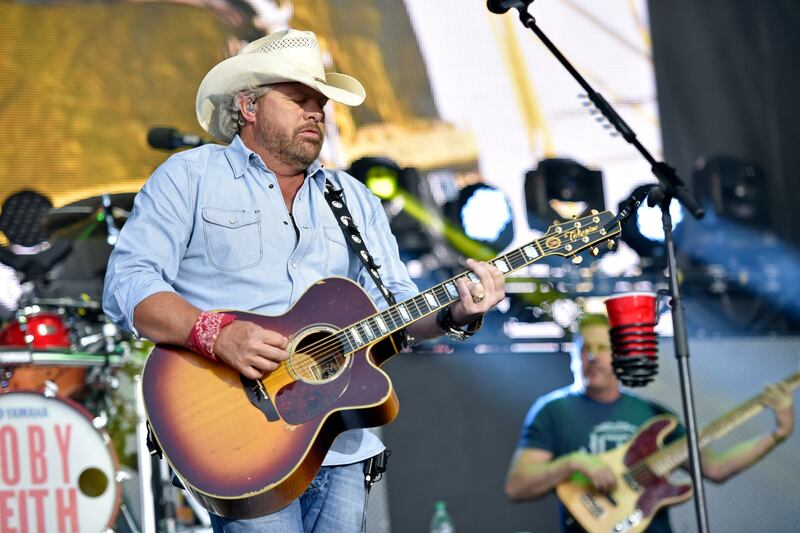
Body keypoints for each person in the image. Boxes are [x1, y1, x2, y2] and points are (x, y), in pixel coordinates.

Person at [103, 28, 504, 532]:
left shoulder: (354, 198)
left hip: (341, 439)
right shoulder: (189, 177)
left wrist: (456, 313)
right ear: (248, 106)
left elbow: (399, 307)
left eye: (321, 101)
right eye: (298, 99)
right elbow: (127, 284)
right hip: (238, 435)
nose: (316, 112)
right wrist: (217, 334)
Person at [505, 313, 795, 533]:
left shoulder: (654, 415)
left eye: (602, 347)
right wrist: (573, 463)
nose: (593, 357)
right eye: (585, 348)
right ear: (573, 354)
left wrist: (777, 435)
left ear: (620, 354)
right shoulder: (552, 410)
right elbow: (517, 486)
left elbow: (715, 468)